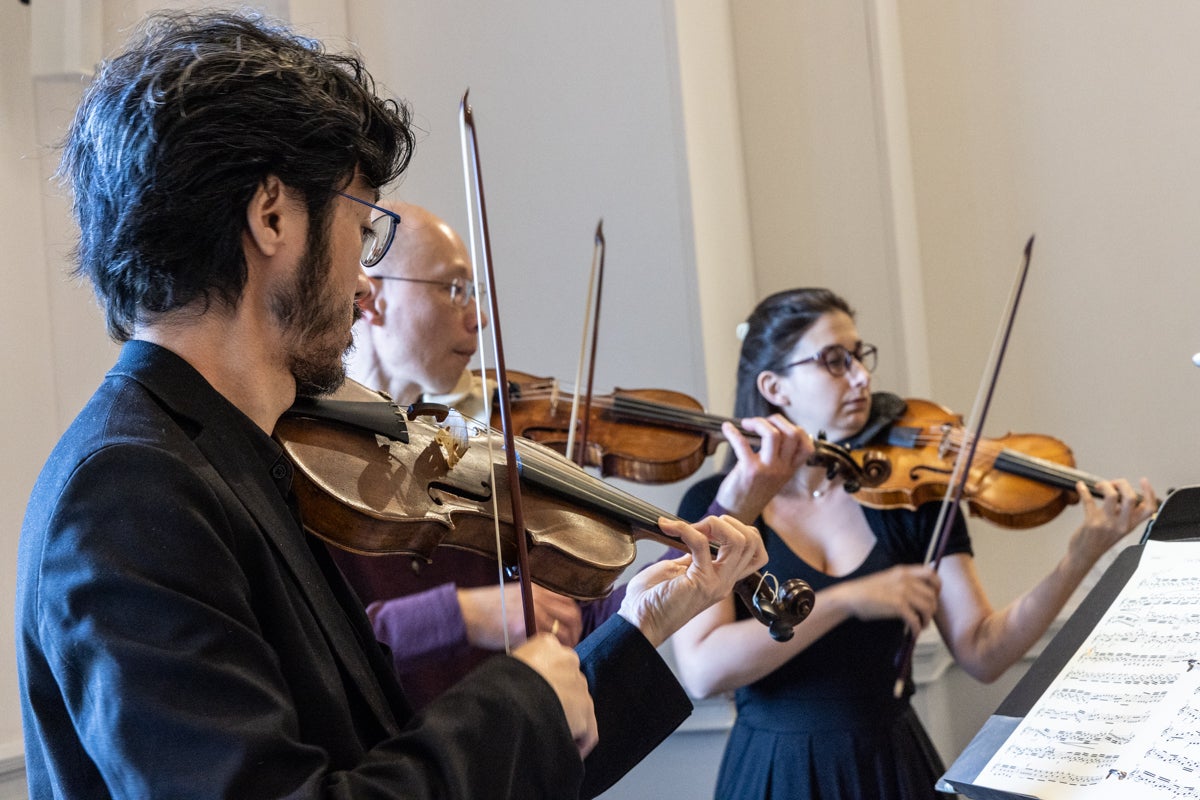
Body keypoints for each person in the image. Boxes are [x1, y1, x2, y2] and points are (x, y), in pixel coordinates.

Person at [14, 11, 769, 799]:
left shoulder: (241, 455)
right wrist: (523, 696)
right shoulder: (129, 493)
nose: (366, 281)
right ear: (271, 215)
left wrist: (638, 628)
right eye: (363, 225)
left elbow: (391, 764)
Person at [669, 287, 1158, 800]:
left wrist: (1079, 557)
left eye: (860, 357)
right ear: (775, 387)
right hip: (777, 771)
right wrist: (849, 600)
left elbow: (985, 652)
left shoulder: (910, 494)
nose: (862, 376)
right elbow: (704, 668)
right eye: (835, 362)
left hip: (891, 766)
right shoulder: (718, 504)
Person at [340, 201, 629, 708]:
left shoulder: (455, 447)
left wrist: (681, 570)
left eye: (475, 294)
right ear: (374, 298)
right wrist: (466, 615)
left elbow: (568, 619)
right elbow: (317, 651)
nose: (479, 319)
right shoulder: (308, 457)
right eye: (455, 291)